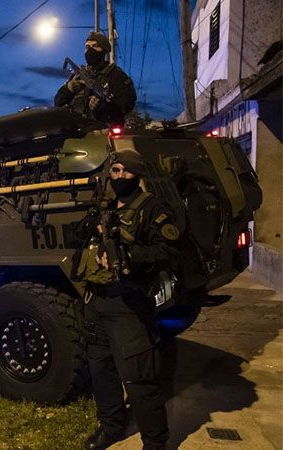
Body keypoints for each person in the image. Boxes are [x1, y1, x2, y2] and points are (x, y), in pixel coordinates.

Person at [73, 149, 179, 450]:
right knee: (100, 370)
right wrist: (93, 225)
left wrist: (129, 256)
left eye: (125, 171)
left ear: (138, 174)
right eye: (115, 170)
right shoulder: (105, 207)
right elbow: (77, 237)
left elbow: (168, 252)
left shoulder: (151, 209)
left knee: (138, 378)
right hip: (96, 301)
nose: (119, 176)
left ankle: (155, 442)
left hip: (128, 305)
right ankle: (111, 427)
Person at [54, 31, 136, 125]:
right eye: (87, 47)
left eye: (95, 46)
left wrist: (105, 106)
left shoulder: (116, 75)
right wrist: (69, 88)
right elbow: (57, 103)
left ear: (104, 50)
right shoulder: (78, 76)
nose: (90, 50)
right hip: (78, 132)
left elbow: (127, 105)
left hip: (105, 132)